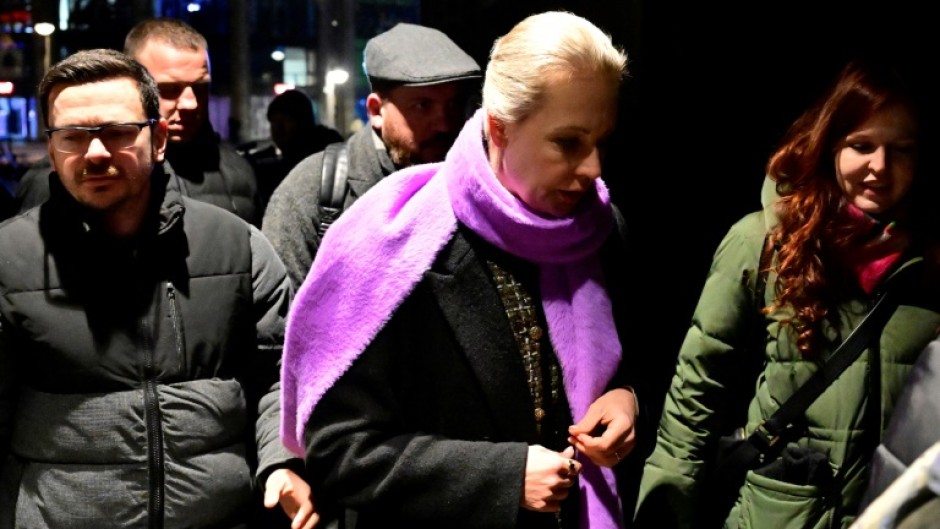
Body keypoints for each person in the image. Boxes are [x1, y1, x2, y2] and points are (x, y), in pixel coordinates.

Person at [280, 11, 646, 528]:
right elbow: (340, 452)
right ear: (499, 127)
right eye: (568, 142)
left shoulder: (601, 227)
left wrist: (626, 401)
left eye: (601, 141)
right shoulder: (392, 243)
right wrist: (501, 476)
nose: (593, 169)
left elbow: (635, 360)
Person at [0, 49, 315, 529]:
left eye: (118, 133)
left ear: (159, 138)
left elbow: (280, 375)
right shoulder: (9, 257)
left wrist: (283, 460)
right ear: (51, 146)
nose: (96, 152)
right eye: (72, 137)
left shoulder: (236, 247)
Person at [634, 57, 940, 529]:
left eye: (902, 150)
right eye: (862, 145)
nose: (880, 167)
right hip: (776, 516)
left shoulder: (929, 263)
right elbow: (693, 399)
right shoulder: (762, 243)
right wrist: (664, 515)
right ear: (829, 145)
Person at [261, 22, 481, 288]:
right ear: (377, 111)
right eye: (423, 106)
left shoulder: (477, 184)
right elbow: (285, 320)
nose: (444, 124)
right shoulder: (311, 190)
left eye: (454, 104)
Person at [15, 17, 261, 226]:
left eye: (200, 88)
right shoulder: (67, 174)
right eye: (168, 89)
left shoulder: (238, 171)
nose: (190, 103)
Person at [239, 89, 343, 215]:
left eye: (285, 120)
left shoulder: (321, 159)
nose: (278, 128)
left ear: (303, 122)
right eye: (274, 122)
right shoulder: (286, 160)